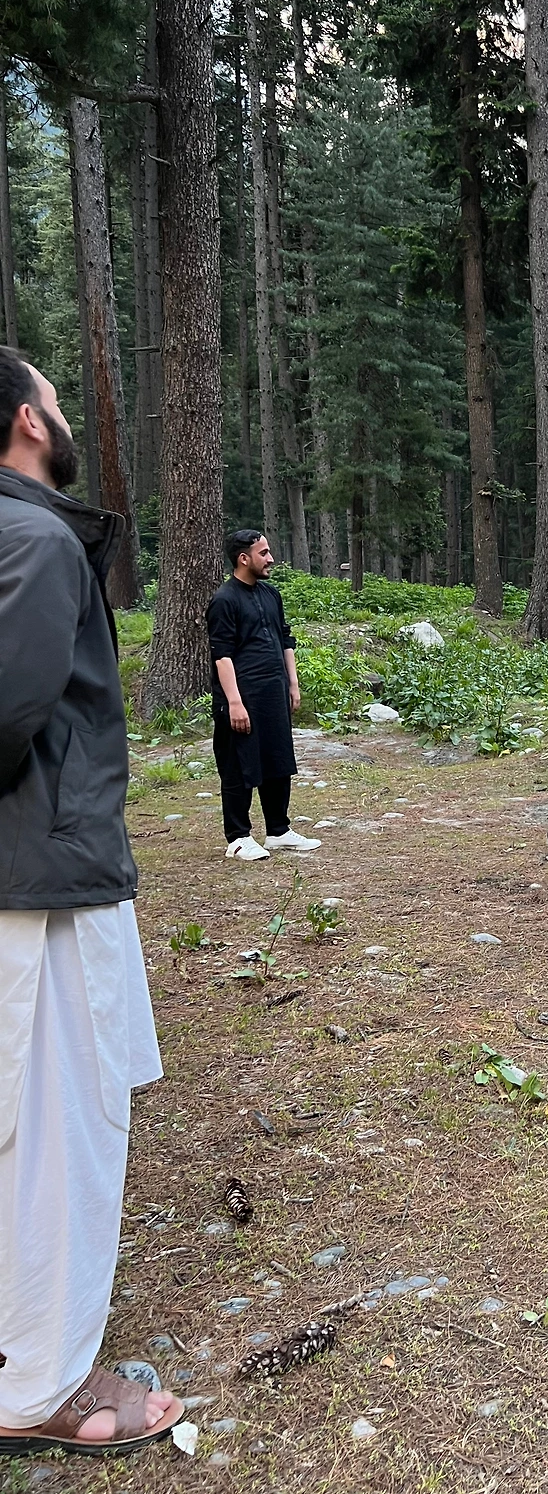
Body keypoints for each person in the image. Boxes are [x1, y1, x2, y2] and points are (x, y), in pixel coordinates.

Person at [0, 347, 183, 1456]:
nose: (65, 414)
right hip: (41, 885)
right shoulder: (30, 538)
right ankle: (42, 1384)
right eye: (56, 399)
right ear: (29, 421)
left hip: (29, 869)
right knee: (56, 1130)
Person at [207, 530, 320, 861]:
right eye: (264, 553)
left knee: (277, 760)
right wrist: (234, 702)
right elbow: (222, 655)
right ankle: (238, 838)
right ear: (244, 559)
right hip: (242, 698)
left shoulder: (271, 594)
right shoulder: (225, 600)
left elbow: (285, 639)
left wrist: (292, 684)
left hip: (274, 693)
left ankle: (278, 831)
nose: (270, 559)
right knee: (238, 765)